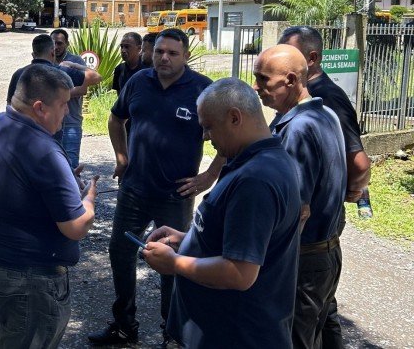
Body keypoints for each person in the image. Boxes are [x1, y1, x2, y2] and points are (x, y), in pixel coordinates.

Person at [89, 28, 225, 346]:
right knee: (120, 254)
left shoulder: (203, 90)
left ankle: (172, 331)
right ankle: (124, 325)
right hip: (134, 189)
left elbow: (230, 134)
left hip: (174, 196)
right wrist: (122, 157)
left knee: (171, 266)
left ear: (186, 56)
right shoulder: (138, 81)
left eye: (172, 53)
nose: (164, 57)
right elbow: (115, 119)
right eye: (160, 51)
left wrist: (209, 176)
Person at [143, 78, 301, 348]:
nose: (205, 136)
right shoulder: (251, 161)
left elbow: (240, 272)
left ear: (234, 118)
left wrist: (175, 264)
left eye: (208, 127)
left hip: (236, 335)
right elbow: (245, 238)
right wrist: (188, 239)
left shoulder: (256, 179)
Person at [0, 64, 98, 349]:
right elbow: (76, 227)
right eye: (64, 104)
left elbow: (10, 187)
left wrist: (60, 184)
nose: (68, 111)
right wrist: (88, 199)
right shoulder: (44, 149)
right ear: (40, 107)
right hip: (26, 280)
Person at [279, 26, 372, 348]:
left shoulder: (327, 98)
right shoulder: (308, 102)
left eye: (289, 55)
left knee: (305, 317)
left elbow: (359, 163)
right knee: (322, 310)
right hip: (317, 237)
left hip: (312, 233)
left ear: (312, 58)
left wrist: (347, 191)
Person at [252, 44, 347, 348]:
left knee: (291, 340)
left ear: (291, 80)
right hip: (326, 254)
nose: (256, 87)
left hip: (304, 260)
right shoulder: (325, 114)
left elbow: (297, 211)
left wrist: (271, 267)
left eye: (263, 79)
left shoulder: (298, 128)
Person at [5, 34, 99, 110]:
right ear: (52, 52)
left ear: (33, 54)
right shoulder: (61, 72)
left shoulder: (18, 74)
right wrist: (74, 65)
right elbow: (96, 77)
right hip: (51, 130)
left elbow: (9, 105)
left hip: (24, 129)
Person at [51, 28, 93, 169]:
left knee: (71, 167)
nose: (56, 47)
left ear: (67, 44)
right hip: (49, 125)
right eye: (53, 43)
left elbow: (85, 87)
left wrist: (57, 95)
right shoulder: (46, 62)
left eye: (59, 43)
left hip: (71, 124)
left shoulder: (75, 61)